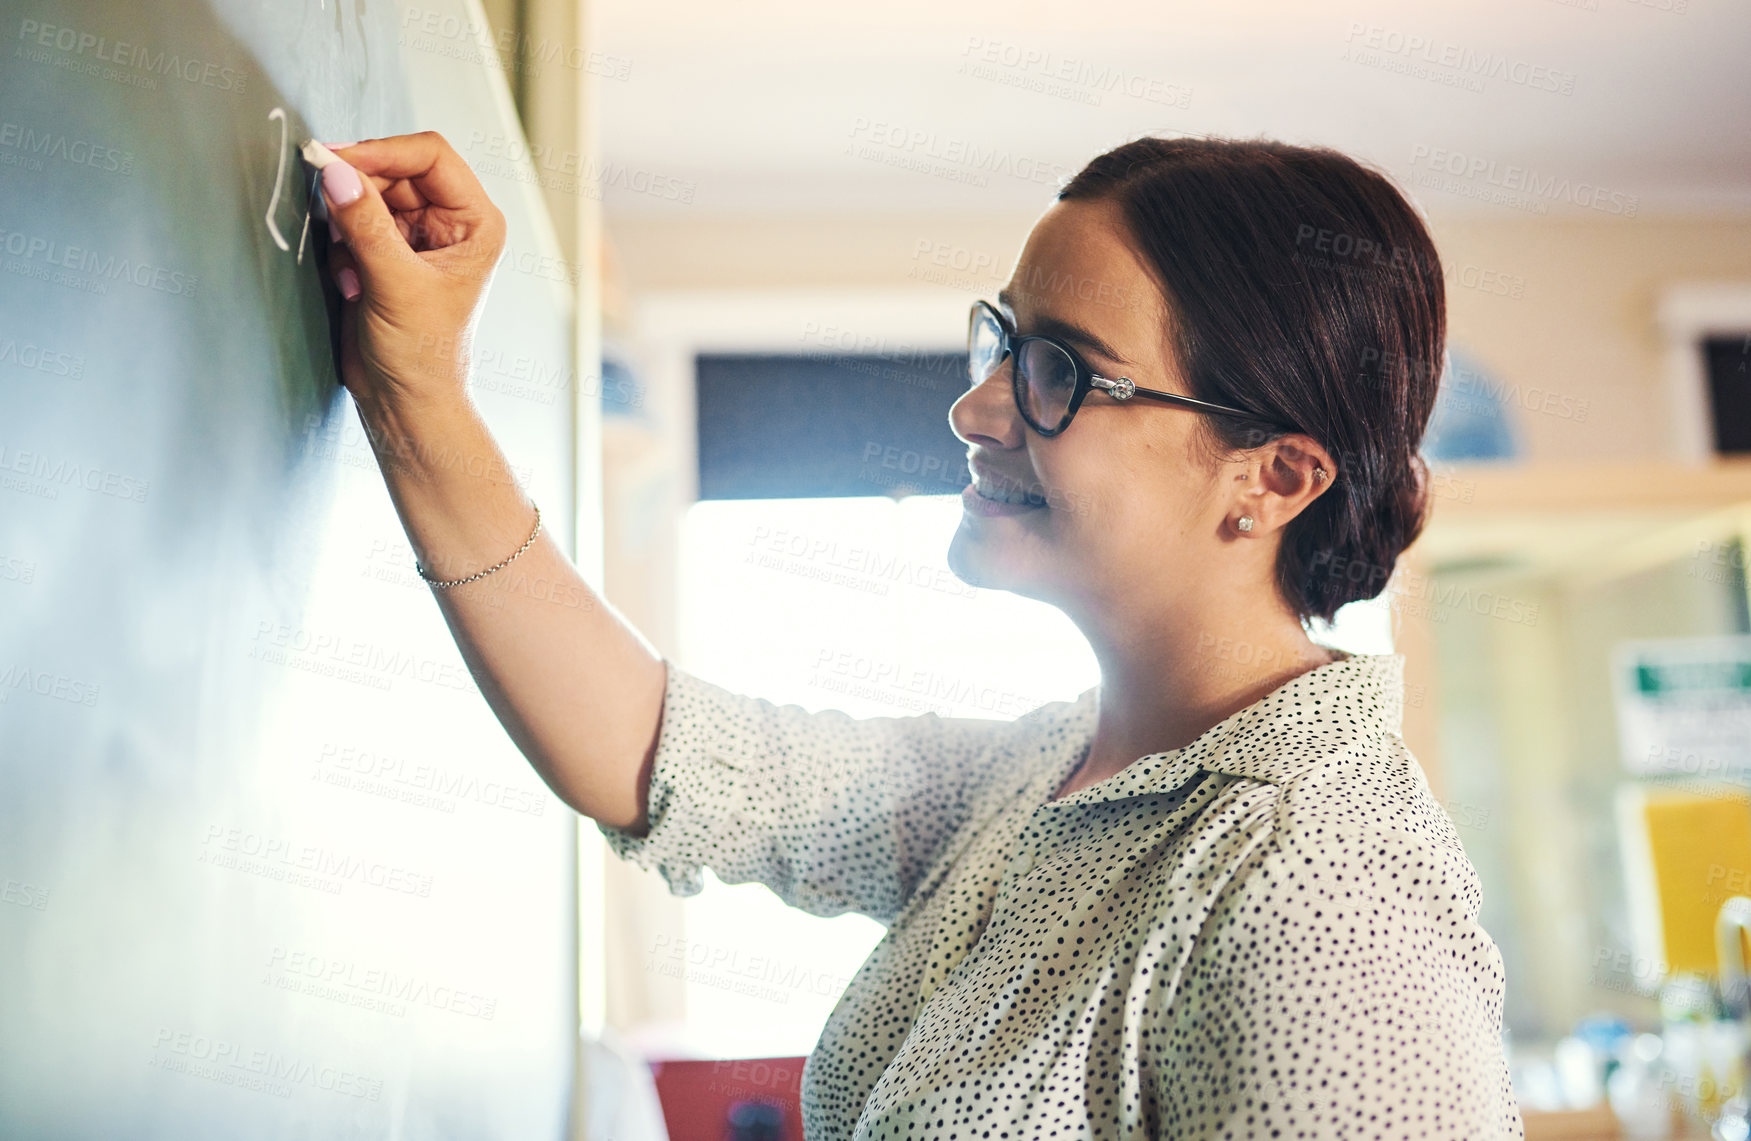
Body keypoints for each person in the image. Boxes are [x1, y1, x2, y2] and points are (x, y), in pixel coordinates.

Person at [316, 130, 1522, 1139]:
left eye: (1060, 371)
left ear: (1271, 475)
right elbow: (664, 754)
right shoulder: (1046, 774)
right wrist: (415, 387)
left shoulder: (1319, 882)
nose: (975, 404)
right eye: (1003, 339)